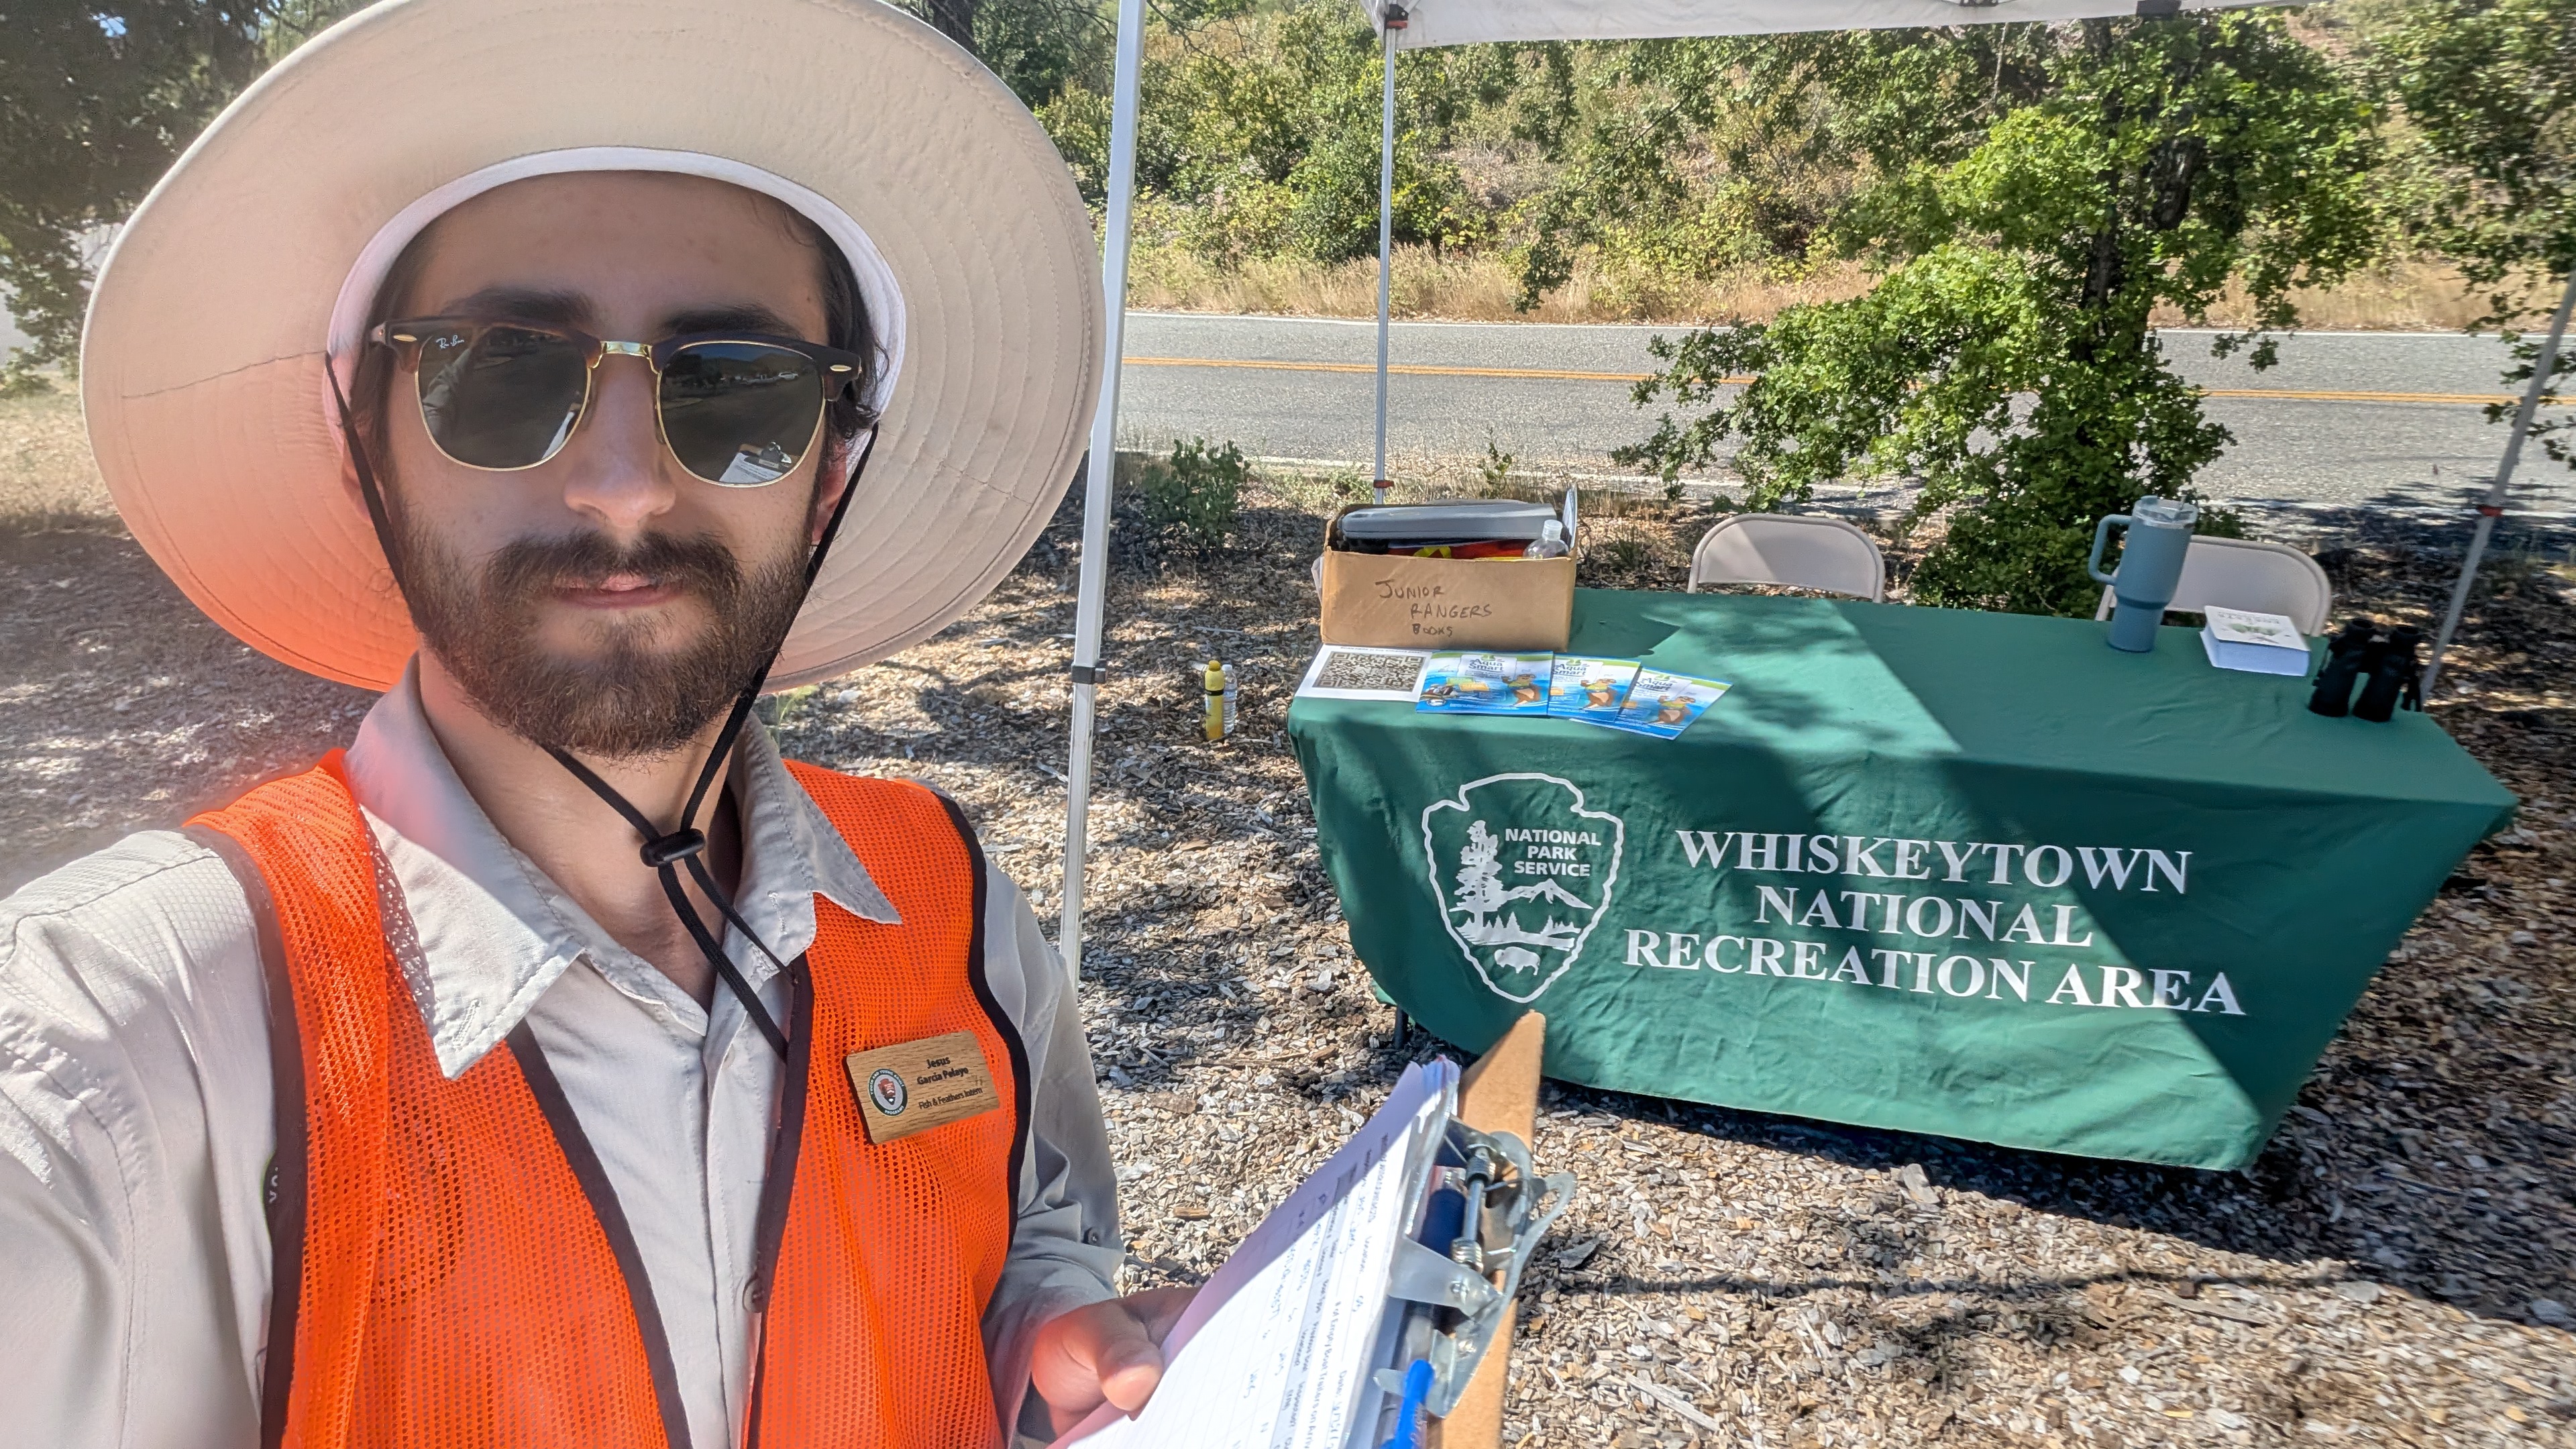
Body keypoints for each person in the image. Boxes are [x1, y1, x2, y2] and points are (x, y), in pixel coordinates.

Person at [0, 1, 1181, 1444]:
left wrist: (1048, 1346)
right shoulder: (121, 1043)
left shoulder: (953, 901)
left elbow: (1029, 1251)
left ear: (827, 470)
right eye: (502, 373)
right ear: (358, 430)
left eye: (737, 389)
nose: (621, 486)